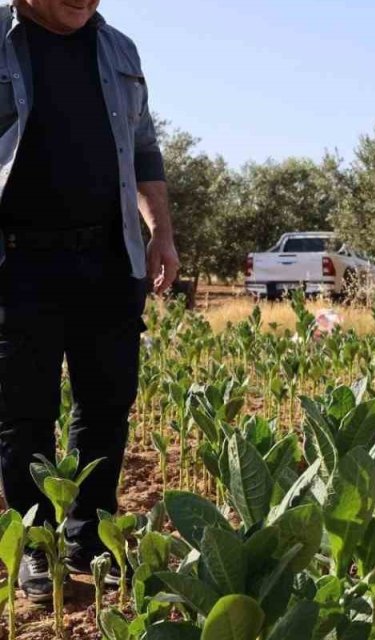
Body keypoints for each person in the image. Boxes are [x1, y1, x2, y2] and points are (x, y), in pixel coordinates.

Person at [0, 0, 178, 603]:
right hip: (17, 261)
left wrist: (161, 233)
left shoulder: (119, 49)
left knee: (107, 402)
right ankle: (36, 546)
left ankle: (90, 538)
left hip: (108, 257)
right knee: (23, 409)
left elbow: (144, 147)